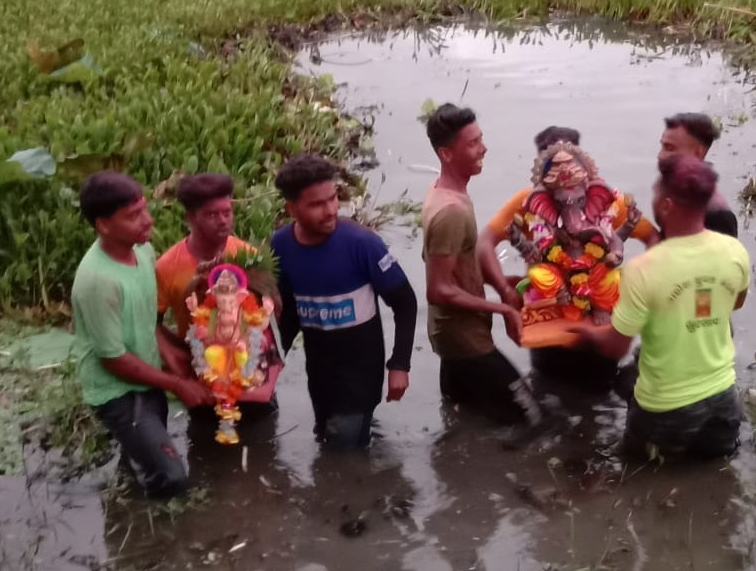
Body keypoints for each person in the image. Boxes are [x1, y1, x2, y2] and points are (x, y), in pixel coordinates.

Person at [570, 155, 750, 461]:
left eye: (655, 194)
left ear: (666, 206)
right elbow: (734, 303)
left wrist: (583, 329)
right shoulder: (734, 251)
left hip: (665, 413)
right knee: (717, 467)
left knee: (633, 472)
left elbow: (615, 348)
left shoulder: (643, 269)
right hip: (723, 404)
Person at [477, 125, 661, 389]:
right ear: (541, 168)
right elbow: (484, 244)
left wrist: (637, 287)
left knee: (596, 392)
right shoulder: (528, 203)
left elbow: (653, 239)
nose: (561, 176)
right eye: (551, 166)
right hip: (551, 323)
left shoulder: (607, 201)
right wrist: (506, 293)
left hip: (599, 325)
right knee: (551, 388)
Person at [71, 171, 214, 499]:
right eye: (133, 216)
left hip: (147, 376)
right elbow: (114, 360)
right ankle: (157, 540)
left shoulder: (144, 250)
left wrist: (171, 350)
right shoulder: (98, 281)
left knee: (142, 458)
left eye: (145, 209)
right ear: (104, 225)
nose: (147, 221)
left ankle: (126, 500)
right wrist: (178, 383)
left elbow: (148, 315)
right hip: (118, 392)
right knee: (173, 479)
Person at [271, 154, 417, 449]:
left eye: (333, 198)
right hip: (320, 370)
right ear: (291, 208)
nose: (330, 210)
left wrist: (399, 365)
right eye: (317, 204)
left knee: (343, 449)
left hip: (361, 372)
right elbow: (289, 311)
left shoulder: (362, 244)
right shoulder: (281, 245)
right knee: (325, 435)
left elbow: (405, 302)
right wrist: (273, 359)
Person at [422, 103, 541, 425]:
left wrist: (500, 283)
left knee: (466, 419)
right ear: (446, 154)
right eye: (472, 143)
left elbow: (457, 264)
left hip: (449, 336)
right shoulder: (451, 211)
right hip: (465, 339)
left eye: (481, 139)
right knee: (533, 420)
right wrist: (505, 310)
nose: (483, 148)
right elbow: (438, 289)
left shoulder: (446, 193)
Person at [154, 173, 282, 406]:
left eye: (227, 212)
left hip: (251, 376)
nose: (223, 221)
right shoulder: (167, 267)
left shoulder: (248, 257)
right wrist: (176, 358)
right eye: (212, 215)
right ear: (190, 218)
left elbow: (271, 319)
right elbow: (152, 322)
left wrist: (269, 376)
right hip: (204, 379)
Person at [658, 113, 738, 238]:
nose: (660, 155)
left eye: (670, 148)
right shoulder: (676, 194)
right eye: (662, 146)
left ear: (698, 153)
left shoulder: (717, 215)